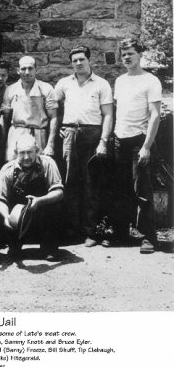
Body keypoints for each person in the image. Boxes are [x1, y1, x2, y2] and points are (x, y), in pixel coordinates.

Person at [55, 45, 113, 246]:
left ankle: (90, 230)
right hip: (69, 134)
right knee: (70, 181)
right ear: (71, 63)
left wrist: (103, 141)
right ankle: (72, 229)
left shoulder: (101, 84)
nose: (78, 63)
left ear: (89, 60)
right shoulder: (64, 83)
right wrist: (60, 127)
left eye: (82, 59)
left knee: (91, 182)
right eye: (74, 60)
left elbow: (108, 115)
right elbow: (52, 107)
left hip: (92, 135)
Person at [112, 38, 162, 254]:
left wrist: (147, 146)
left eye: (130, 53)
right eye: (123, 54)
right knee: (120, 189)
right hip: (118, 140)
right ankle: (121, 233)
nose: (126, 57)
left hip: (139, 142)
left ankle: (148, 237)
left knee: (142, 190)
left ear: (139, 54)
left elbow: (155, 115)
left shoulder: (150, 81)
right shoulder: (120, 81)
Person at [0, 134, 64, 260]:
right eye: (22, 153)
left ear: (37, 151)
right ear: (16, 152)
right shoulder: (7, 170)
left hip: (41, 211)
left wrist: (39, 201)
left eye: (30, 152)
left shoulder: (48, 164)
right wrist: (6, 217)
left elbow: (59, 191)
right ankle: (14, 246)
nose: (26, 157)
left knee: (56, 204)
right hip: (18, 218)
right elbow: (1, 199)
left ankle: (49, 247)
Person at [1, 56, 58, 162]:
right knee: (14, 168)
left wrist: (50, 144)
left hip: (38, 135)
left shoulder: (46, 89)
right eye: (23, 69)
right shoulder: (10, 90)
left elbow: (53, 117)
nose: (27, 72)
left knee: (39, 168)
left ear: (36, 70)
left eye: (30, 68)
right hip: (16, 134)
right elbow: (5, 118)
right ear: (18, 71)